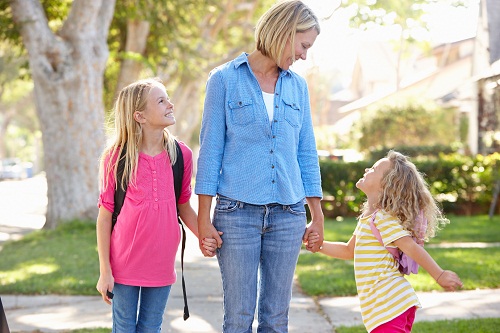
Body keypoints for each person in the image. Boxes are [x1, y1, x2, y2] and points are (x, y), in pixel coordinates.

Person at [195, 1, 324, 332]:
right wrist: (203, 219)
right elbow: (210, 151)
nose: (304, 55)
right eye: (303, 45)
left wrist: (317, 215)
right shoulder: (224, 79)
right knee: (238, 317)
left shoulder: (297, 86)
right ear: (284, 30)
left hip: (289, 214)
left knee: (276, 318)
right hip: (237, 214)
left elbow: (306, 152)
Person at [95, 77, 218, 332]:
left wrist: (204, 235)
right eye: (161, 101)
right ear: (139, 115)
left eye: (168, 98)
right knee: (125, 327)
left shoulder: (180, 155)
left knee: (151, 327)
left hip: (161, 262)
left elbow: (183, 206)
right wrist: (104, 271)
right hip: (124, 263)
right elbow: (105, 216)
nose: (170, 104)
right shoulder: (116, 158)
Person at [308, 150, 463, 333]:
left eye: (373, 169)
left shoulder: (382, 219)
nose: (367, 169)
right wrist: (319, 246)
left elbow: (410, 247)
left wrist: (439, 274)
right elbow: (349, 251)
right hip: (384, 308)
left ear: (386, 186)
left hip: (389, 305)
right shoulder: (369, 219)